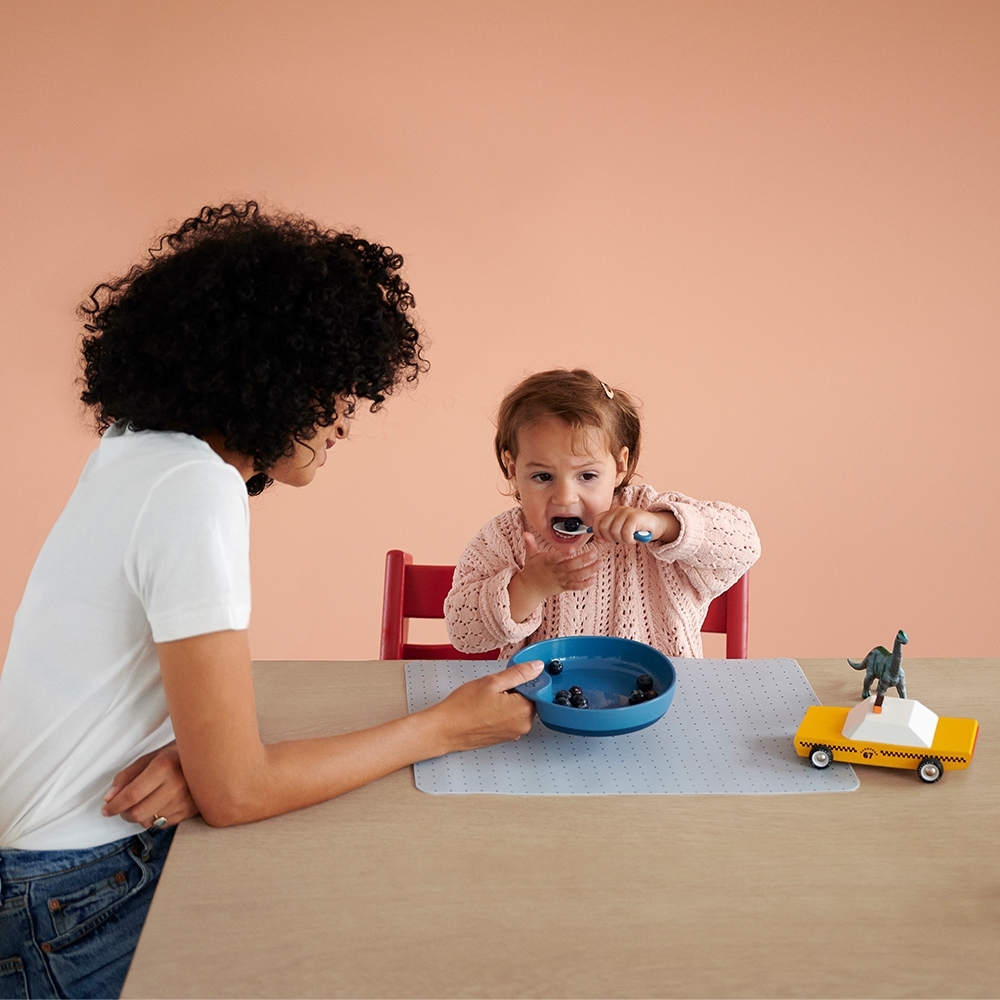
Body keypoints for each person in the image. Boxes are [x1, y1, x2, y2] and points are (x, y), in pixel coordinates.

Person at [0, 202, 541, 1000]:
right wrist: (445, 727)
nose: (342, 426)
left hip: (39, 873)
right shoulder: (195, 489)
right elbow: (241, 795)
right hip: (74, 893)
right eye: (334, 394)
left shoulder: (133, 452)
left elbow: (195, 750)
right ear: (273, 378)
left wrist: (205, 761)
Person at [444, 368, 761, 657]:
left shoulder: (648, 513)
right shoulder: (504, 540)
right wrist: (528, 587)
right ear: (513, 469)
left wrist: (665, 526)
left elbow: (744, 544)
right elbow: (463, 633)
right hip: (542, 709)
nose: (566, 498)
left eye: (587, 476)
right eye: (543, 477)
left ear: (620, 466)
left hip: (660, 705)